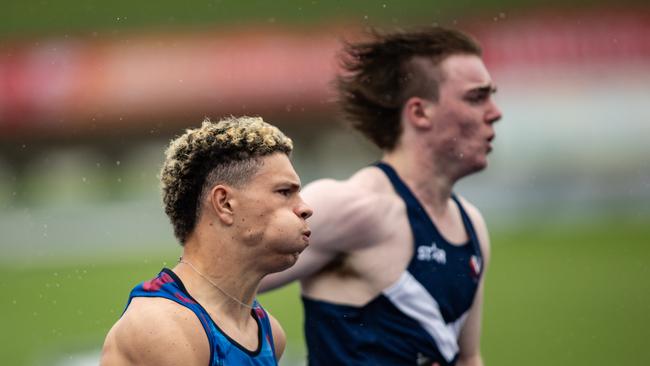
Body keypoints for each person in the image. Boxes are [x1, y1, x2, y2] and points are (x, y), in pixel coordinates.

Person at [261, 26, 502, 366]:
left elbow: (467, 357)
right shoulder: (348, 207)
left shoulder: (472, 227)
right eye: (477, 98)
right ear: (419, 113)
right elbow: (212, 283)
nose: (495, 112)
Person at [100, 116, 313, 366]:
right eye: (284, 192)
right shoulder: (161, 327)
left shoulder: (269, 333)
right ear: (225, 203)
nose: (306, 208)